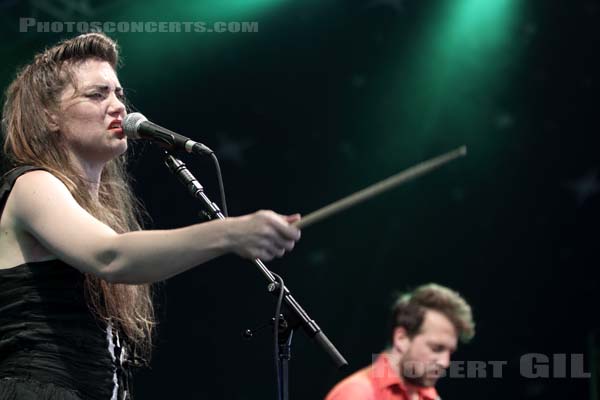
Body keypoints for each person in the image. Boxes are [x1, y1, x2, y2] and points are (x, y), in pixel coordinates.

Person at [0, 32, 301, 400]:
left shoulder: (95, 209)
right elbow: (111, 256)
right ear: (48, 116)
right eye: (97, 94)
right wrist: (228, 233)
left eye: (118, 94)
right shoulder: (33, 184)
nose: (118, 107)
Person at [325, 283, 475, 400]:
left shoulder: (428, 395)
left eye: (450, 352)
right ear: (401, 339)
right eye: (436, 348)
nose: (445, 362)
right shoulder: (357, 393)